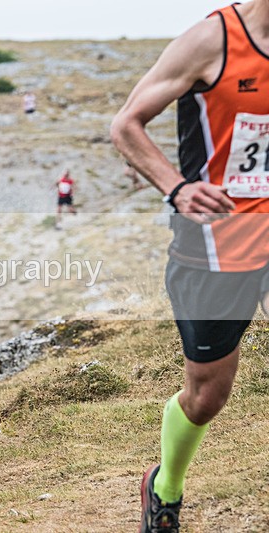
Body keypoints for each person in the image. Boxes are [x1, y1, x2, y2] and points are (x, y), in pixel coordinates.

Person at [111, 2, 269, 531]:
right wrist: (176, 188)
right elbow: (127, 124)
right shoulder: (212, 40)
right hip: (216, 244)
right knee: (206, 395)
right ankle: (165, 486)